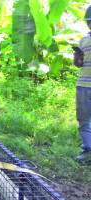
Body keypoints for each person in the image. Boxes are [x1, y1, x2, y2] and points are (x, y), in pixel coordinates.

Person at [74, 5, 91, 164]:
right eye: (89, 21)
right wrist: (77, 57)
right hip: (84, 86)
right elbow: (79, 64)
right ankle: (88, 149)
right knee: (84, 119)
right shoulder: (84, 40)